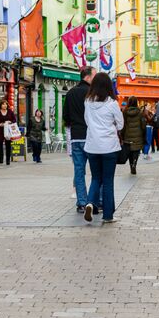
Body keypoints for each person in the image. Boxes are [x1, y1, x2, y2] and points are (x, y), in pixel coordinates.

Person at [83, 72, 123, 224]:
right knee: (108, 181)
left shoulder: (87, 102)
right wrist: (111, 126)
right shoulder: (112, 104)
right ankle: (108, 216)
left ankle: (89, 203)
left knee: (95, 178)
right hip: (109, 147)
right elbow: (121, 124)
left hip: (92, 146)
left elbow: (87, 121)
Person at [63, 66, 94, 212]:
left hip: (76, 137)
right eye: (94, 75)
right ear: (87, 77)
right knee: (96, 170)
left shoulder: (70, 93)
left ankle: (82, 202)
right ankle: (95, 201)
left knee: (79, 170)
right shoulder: (92, 93)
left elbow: (66, 117)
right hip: (91, 137)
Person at [120, 97, 147, 175]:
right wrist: (143, 134)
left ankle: (131, 165)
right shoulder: (140, 112)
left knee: (129, 151)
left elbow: (123, 125)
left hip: (127, 136)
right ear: (136, 103)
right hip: (138, 136)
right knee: (136, 151)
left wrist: (122, 135)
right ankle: (134, 164)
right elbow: (143, 125)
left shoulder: (125, 112)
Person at [0, 100, 16, 165]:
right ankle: (1, 159)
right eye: (3, 104)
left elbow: (14, 120)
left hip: (8, 130)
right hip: (0, 130)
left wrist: (10, 122)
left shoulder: (10, 112)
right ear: (0, 105)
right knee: (0, 144)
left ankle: (8, 160)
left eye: (5, 104)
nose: (4, 105)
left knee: (8, 145)